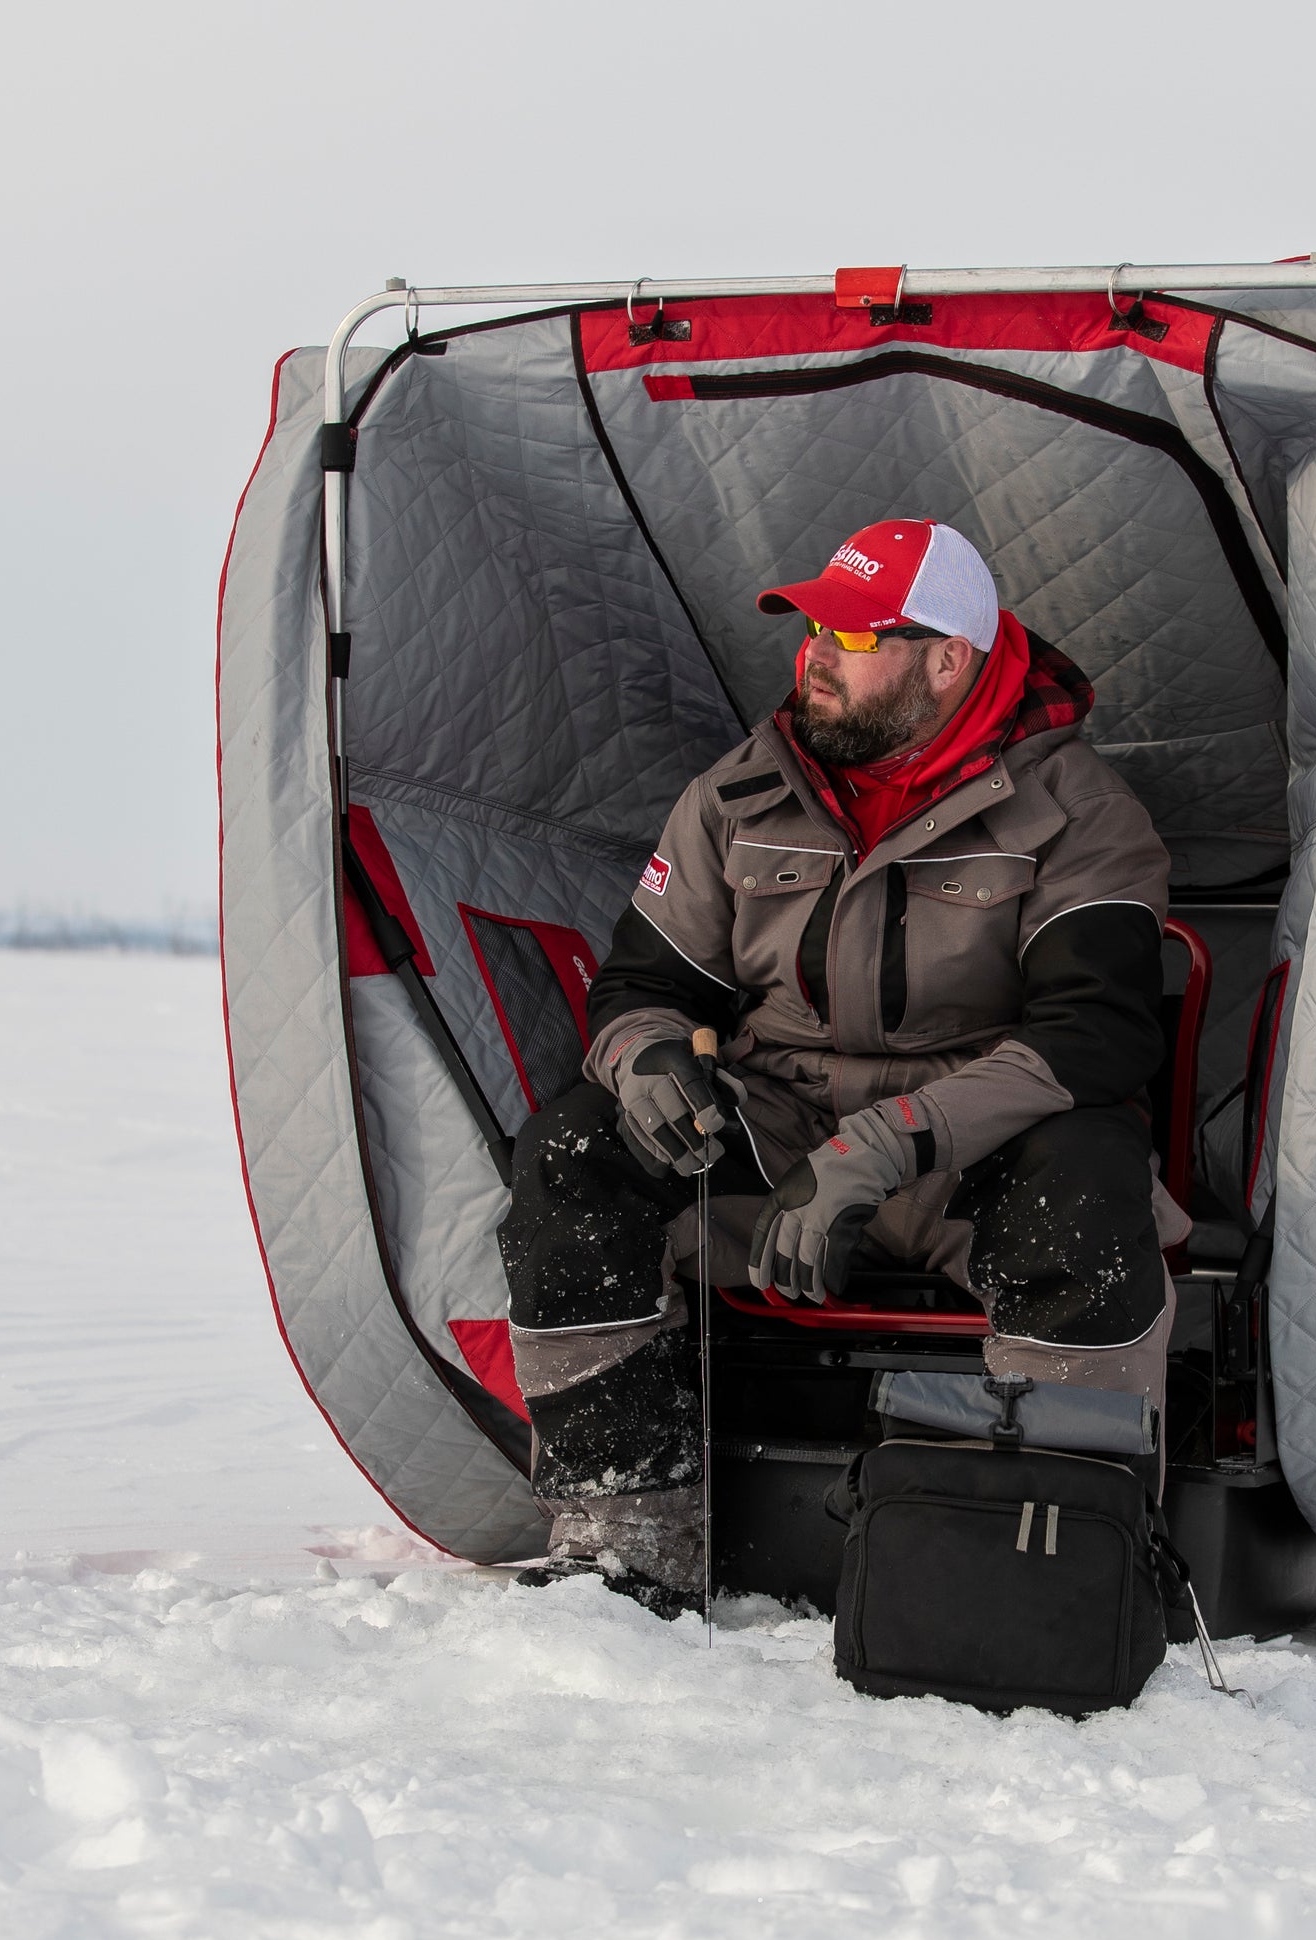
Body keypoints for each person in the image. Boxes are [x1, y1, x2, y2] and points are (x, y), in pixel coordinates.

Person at [500, 519, 1186, 1610]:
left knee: (1085, 1188)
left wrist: (882, 1145)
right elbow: (640, 987)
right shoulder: (736, 795)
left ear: (945, 659)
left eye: (853, 634)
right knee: (575, 1148)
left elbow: (1093, 1036)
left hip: (975, 1149)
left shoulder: (1078, 812)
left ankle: (1057, 1569)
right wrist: (645, 1062)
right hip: (779, 1133)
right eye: (813, 625)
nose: (813, 653)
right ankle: (624, 1533)